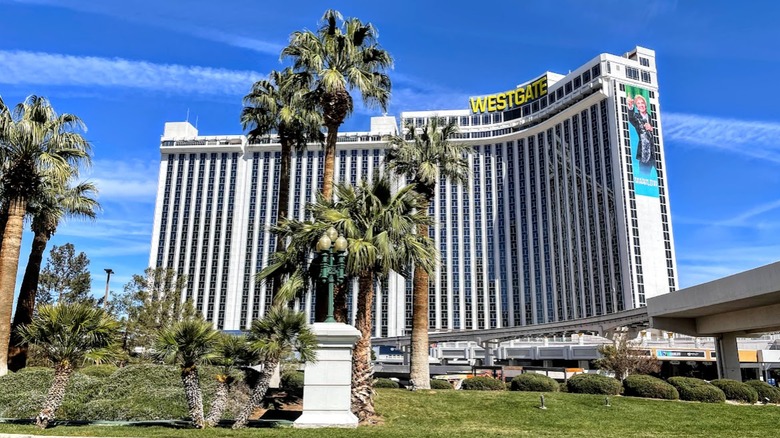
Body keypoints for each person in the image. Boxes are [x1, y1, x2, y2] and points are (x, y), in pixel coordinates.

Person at [627, 94, 655, 172]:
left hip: (656, 153)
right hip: (644, 154)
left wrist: (651, 128)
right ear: (637, 107)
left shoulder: (652, 117)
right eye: (638, 103)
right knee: (644, 175)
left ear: (645, 104)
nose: (641, 105)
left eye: (642, 103)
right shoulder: (636, 117)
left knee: (662, 174)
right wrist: (630, 106)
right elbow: (631, 118)